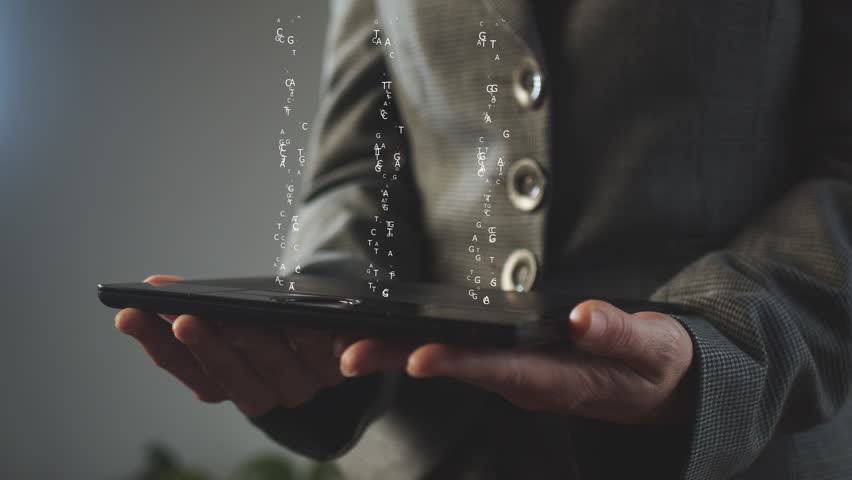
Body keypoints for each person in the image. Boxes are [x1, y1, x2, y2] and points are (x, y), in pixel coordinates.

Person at [113, 1, 852, 478]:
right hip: (430, 452)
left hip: (740, 450)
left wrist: (718, 347)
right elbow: (360, 165)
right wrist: (326, 324)